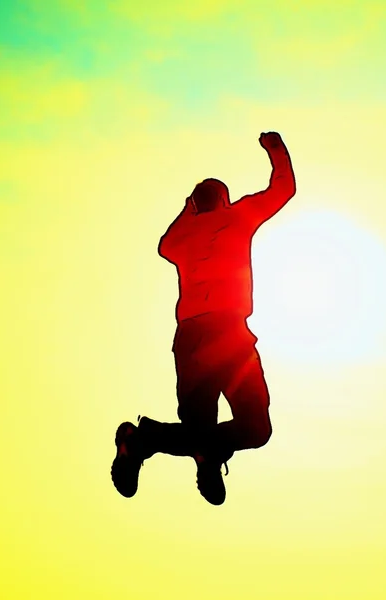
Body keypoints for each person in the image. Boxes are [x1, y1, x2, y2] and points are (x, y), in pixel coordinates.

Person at [111, 131, 296, 505]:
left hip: (201, 336)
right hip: (224, 334)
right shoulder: (238, 216)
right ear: (223, 199)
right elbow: (283, 189)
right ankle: (203, 452)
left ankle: (151, 443)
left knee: (221, 429)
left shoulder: (185, 236)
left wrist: (188, 207)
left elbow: (164, 244)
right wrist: (275, 149)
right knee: (254, 429)